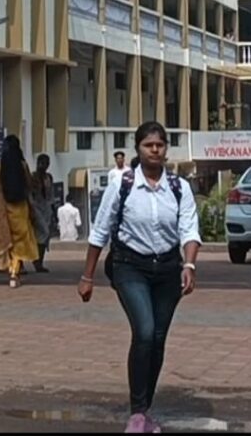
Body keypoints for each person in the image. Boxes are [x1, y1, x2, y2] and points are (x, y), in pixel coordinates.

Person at [79, 121, 201, 433]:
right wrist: (87, 276)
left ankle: (145, 409)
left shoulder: (179, 187)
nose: (155, 150)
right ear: (138, 149)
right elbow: (100, 231)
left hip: (168, 270)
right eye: (148, 145)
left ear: (166, 149)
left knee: (158, 338)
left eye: (160, 145)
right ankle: (137, 412)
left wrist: (189, 265)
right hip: (129, 266)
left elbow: (189, 229)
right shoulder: (123, 185)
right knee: (144, 331)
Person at [0, 134, 39, 288]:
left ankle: (9, 267)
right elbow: (29, 185)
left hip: (3, 210)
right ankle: (14, 273)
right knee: (19, 243)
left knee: (6, 241)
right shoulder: (23, 165)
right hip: (20, 209)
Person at [30, 153, 54, 272]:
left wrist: (53, 211)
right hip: (36, 207)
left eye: (46, 163)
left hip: (46, 208)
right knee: (42, 233)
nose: (44, 166)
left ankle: (39, 261)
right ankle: (36, 260)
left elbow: (51, 194)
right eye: (42, 163)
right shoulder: (33, 177)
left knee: (45, 237)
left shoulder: (48, 177)